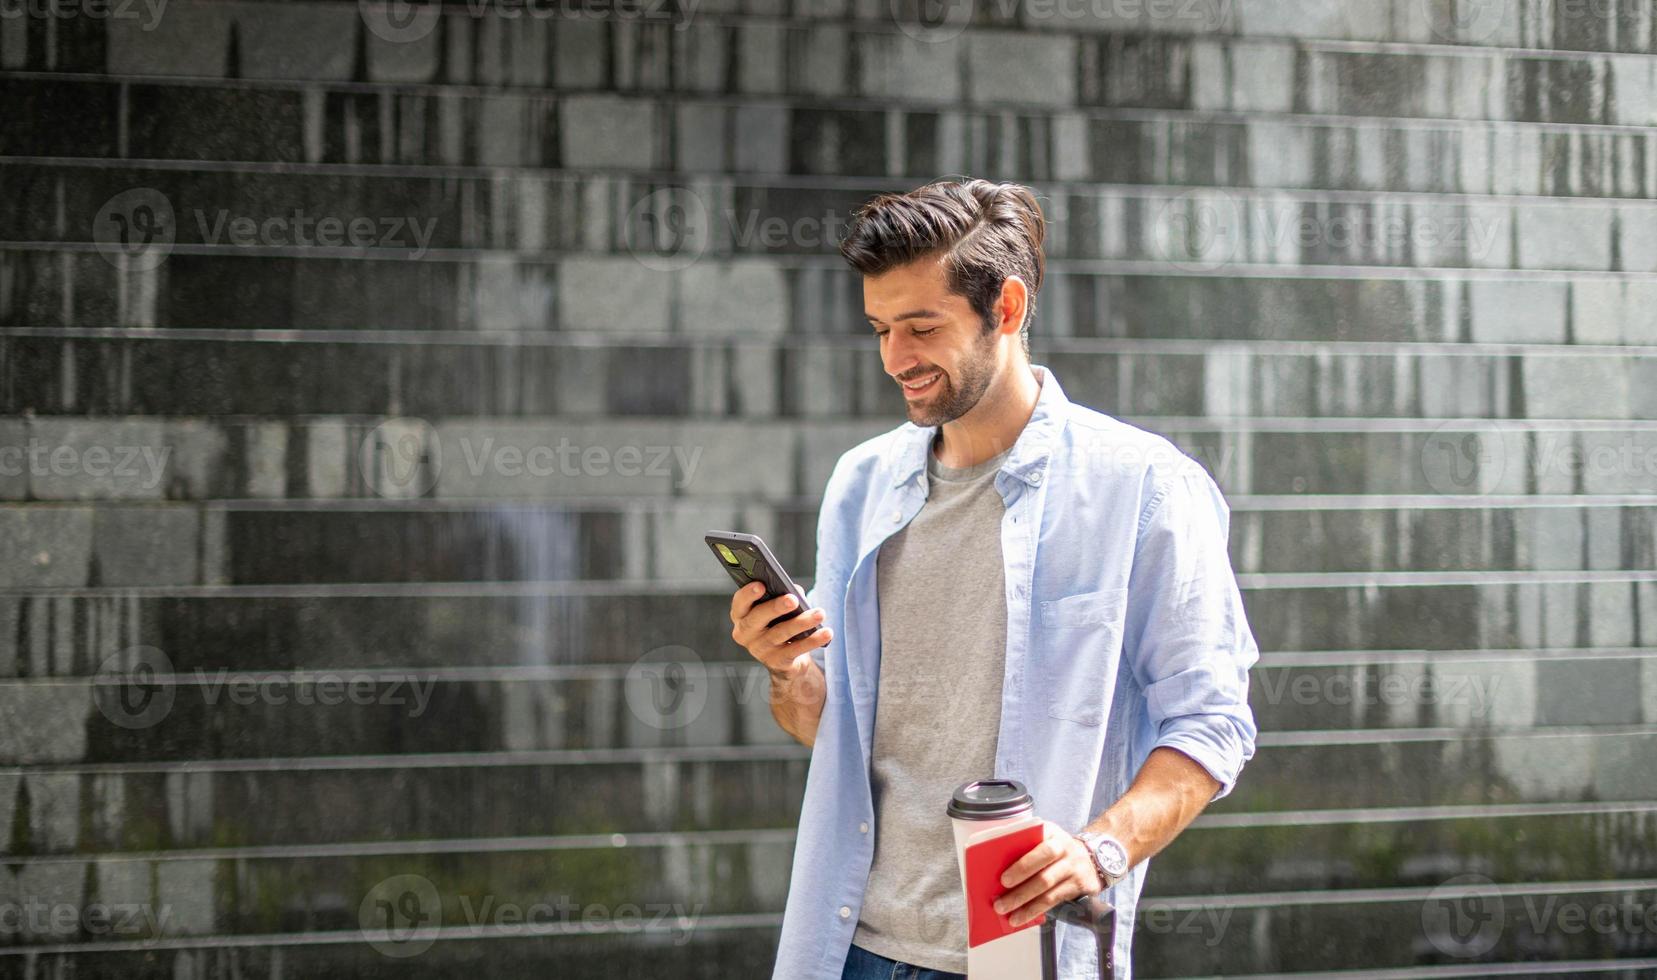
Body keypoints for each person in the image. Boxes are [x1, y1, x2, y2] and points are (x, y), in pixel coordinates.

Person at [727, 177, 1259, 980]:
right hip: (848, 946)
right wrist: (785, 668)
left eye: (920, 327)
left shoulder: (1141, 487)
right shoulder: (860, 485)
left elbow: (1211, 724)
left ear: (1005, 309)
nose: (894, 359)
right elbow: (831, 729)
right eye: (879, 329)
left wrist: (1097, 850)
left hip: (1017, 952)